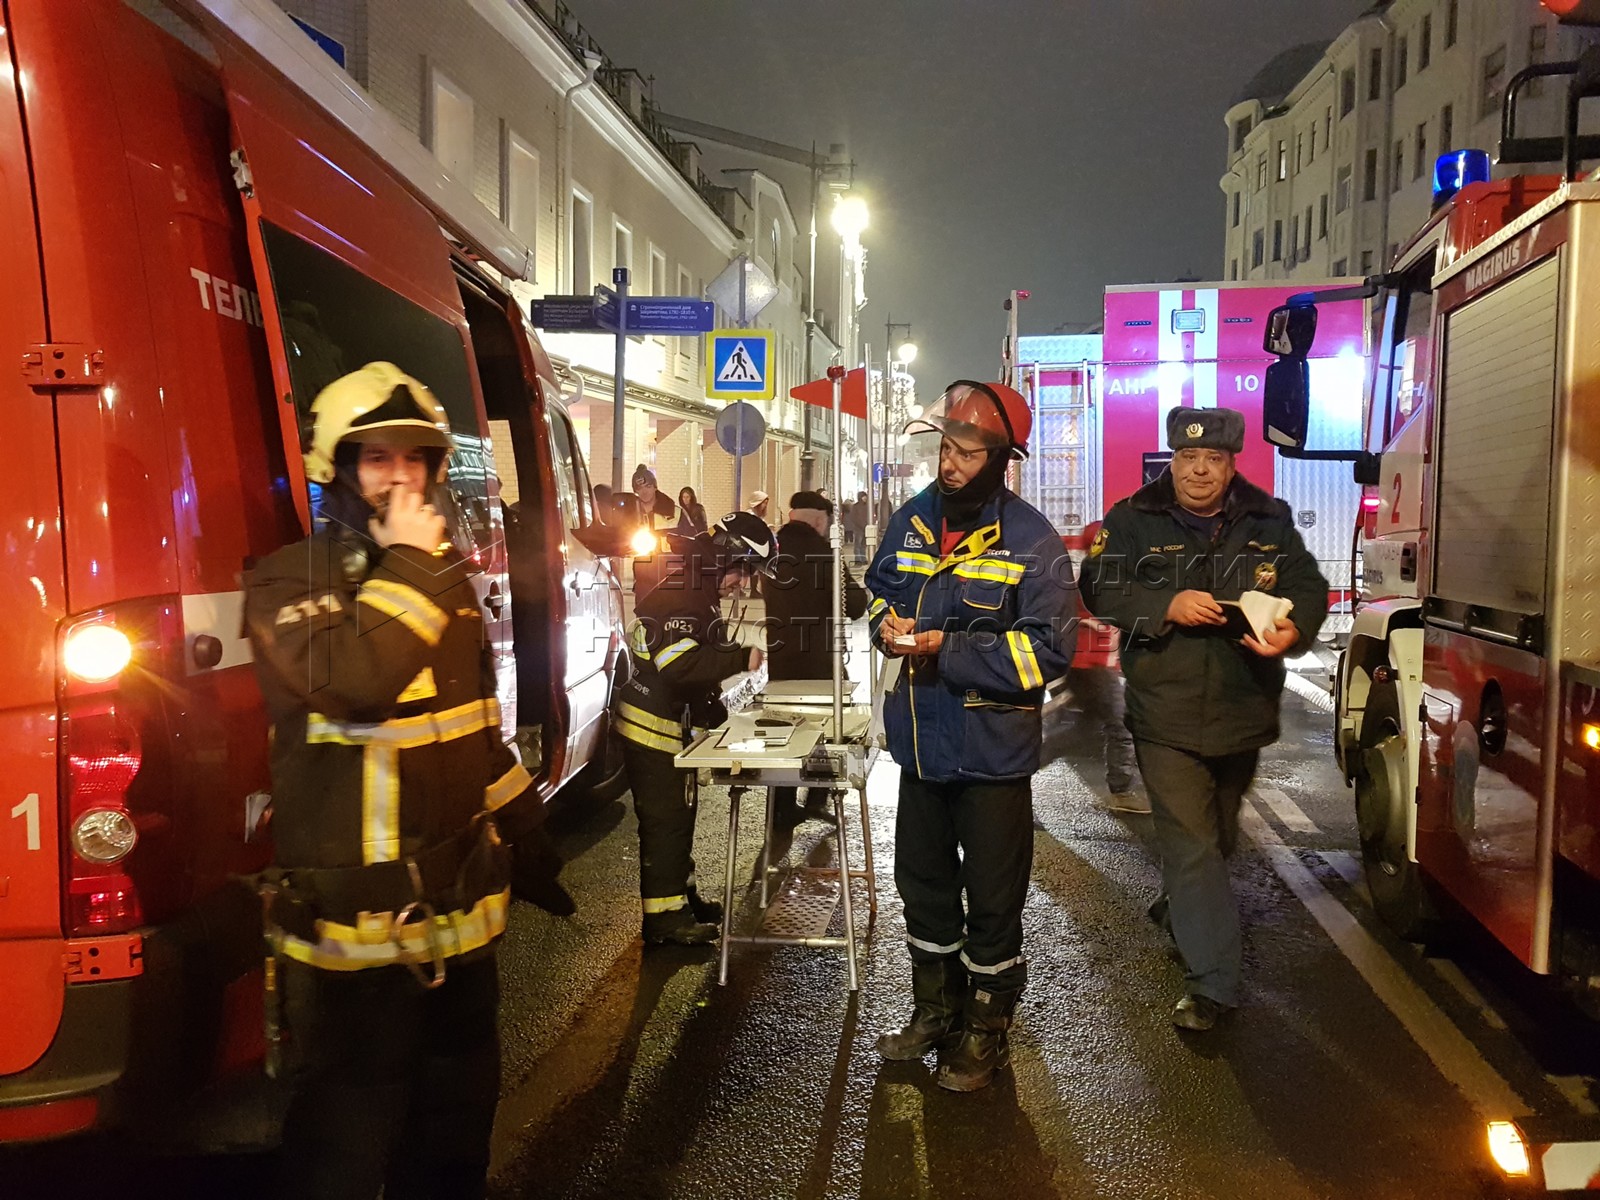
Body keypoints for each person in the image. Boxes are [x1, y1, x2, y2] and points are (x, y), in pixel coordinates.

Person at [243, 362, 571, 1199]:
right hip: (357, 946)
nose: (402, 478)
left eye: (416, 460)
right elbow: (357, 683)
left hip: (459, 927)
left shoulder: (437, 581)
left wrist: (529, 831)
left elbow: (474, 731)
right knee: (345, 1155)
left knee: (454, 1136)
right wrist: (414, 567)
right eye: (378, 459)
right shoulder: (290, 580)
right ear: (338, 470)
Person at [1080, 407, 1328, 1031]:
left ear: (1230, 463)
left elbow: (1307, 586)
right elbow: (1099, 586)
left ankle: (1183, 909)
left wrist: (1295, 629)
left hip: (1243, 709)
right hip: (1164, 710)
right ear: (1172, 458)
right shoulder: (1132, 517)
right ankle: (1213, 983)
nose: (1197, 470)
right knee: (1191, 844)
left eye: (1212, 459)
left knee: (1216, 838)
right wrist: (1166, 603)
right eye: (1187, 457)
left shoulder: (1268, 518)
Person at [866, 381, 1075, 1092]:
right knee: (923, 886)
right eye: (944, 449)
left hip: (991, 757)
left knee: (992, 899)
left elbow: (1048, 651)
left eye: (965, 452)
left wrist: (944, 648)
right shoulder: (913, 520)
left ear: (1001, 460)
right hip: (921, 749)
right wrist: (887, 625)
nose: (948, 463)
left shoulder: (1032, 540)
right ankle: (936, 1010)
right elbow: (879, 589)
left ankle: (987, 1027)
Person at [614, 512, 778, 944]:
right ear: (726, 556)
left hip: (669, 725)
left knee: (680, 816)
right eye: (743, 571)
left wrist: (714, 712)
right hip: (652, 729)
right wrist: (740, 658)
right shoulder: (686, 591)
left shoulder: (696, 585)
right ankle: (664, 921)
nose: (742, 584)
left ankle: (681, 898)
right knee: (666, 821)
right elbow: (679, 664)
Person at [764, 491, 868, 832]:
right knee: (826, 730)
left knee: (783, 732)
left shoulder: (772, 551)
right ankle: (818, 798)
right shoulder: (826, 555)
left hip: (780, 661)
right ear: (821, 521)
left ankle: (781, 810)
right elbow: (855, 606)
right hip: (821, 662)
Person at [1067, 519, 1142, 812]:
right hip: (1092, 665)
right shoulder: (1097, 578)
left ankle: (1024, 766)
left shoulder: (1098, 575)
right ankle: (1122, 792)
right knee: (1121, 727)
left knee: (1081, 730)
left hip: (1088, 665)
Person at [632, 464, 676, 528]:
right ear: (635, 491)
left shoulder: (675, 513)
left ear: (655, 487)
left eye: (648, 486)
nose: (644, 491)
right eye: (640, 488)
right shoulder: (628, 515)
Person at [847, 490, 870, 564]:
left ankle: (863, 559)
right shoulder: (855, 506)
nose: (865, 498)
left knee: (864, 545)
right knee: (858, 545)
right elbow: (853, 517)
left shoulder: (868, 506)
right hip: (858, 529)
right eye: (863, 496)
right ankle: (858, 560)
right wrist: (861, 525)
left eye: (865, 496)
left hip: (866, 528)